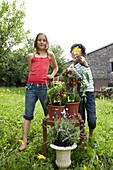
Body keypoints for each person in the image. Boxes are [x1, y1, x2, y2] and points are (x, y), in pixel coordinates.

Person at [18, 33, 58, 151]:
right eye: (39, 40)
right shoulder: (31, 56)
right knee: (28, 115)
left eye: (44, 40)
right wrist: (28, 84)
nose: (41, 42)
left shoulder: (50, 55)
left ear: (46, 42)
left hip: (43, 88)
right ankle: (24, 141)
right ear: (36, 42)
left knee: (49, 113)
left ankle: (54, 137)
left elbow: (56, 67)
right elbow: (31, 71)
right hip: (31, 88)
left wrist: (52, 75)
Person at [68, 43, 96, 138]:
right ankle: (82, 136)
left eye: (77, 53)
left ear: (82, 55)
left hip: (89, 93)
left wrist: (82, 59)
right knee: (80, 117)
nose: (75, 56)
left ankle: (91, 136)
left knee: (92, 118)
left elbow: (84, 62)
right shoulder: (72, 67)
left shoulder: (84, 63)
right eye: (73, 53)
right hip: (78, 94)